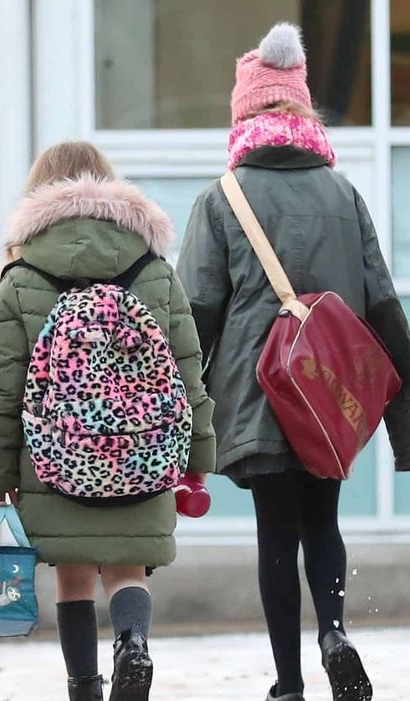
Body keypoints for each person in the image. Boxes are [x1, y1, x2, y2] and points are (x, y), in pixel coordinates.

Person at [177, 23, 410, 701]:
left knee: (275, 531)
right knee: (323, 520)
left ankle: (288, 682)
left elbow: (197, 312)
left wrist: (180, 411)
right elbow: (383, 303)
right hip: (329, 392)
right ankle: (334, 631)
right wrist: (402, 419)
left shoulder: (222, 197)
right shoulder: (344, 194)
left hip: (257, 392)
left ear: (244, 113)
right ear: (304, 111)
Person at [0, 142, 216, 701]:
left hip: (54, 456)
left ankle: (84, 687)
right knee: (129, 568)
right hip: (144, 451)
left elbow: (2, 389)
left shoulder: (21, 276)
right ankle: (133, 642)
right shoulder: (154, 269)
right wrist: (198, 455)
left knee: (74, 575)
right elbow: (187, 373)